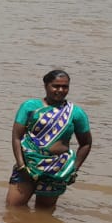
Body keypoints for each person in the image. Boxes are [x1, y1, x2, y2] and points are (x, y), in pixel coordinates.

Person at [8, 69, 92, 209]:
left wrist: (73, 169)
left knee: (44, 213)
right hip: (28, 166)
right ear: (46, 86)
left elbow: (86, 143)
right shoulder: (29, 107)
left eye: (65, 87)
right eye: (55, 86)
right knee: (13, 209)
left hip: (57, 169)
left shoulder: (76, 113)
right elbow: (16, 137)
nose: (60, 90)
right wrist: (21, 165)